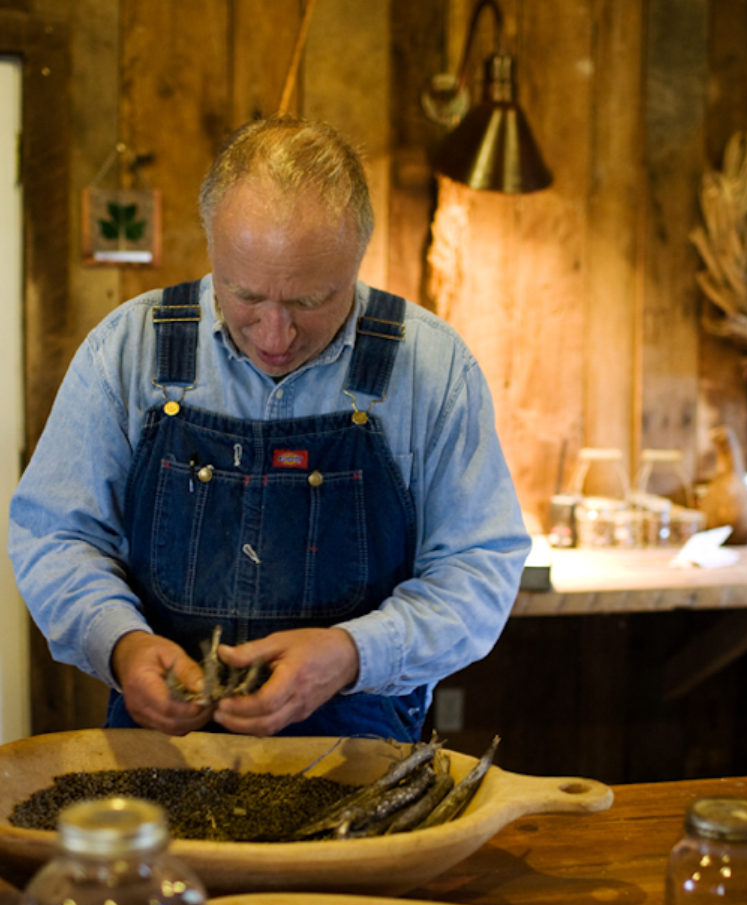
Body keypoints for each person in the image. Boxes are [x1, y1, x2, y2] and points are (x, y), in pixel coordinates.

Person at [8, 115, 529, 742]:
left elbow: (480, 568)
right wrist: (118, 643)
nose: (275, 336)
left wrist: (354, 653)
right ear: (212, 250)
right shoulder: (127, 351)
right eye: (246, 295)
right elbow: (56, 535)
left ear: (356, 259)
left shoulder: (434, 369)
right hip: (161, 744)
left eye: (310, 302)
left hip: (355, 747)